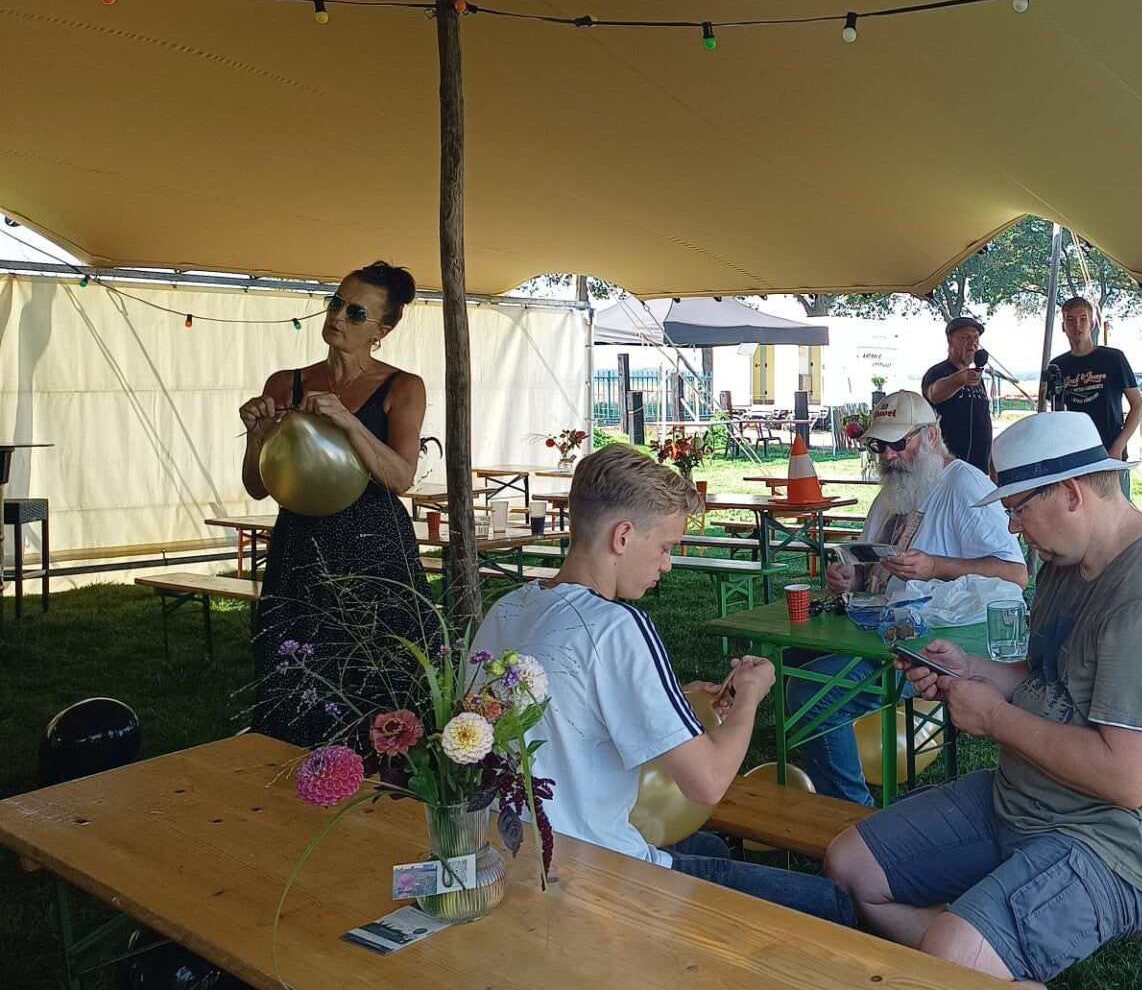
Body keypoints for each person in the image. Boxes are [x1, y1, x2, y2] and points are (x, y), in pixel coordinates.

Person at [823, 411, 1142, 986]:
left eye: (1017, 509)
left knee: (950, 955)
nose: (1013, 529)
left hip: (1130, 843)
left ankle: (966, 959)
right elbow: (1046, 679)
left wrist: (994, 718)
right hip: (1029, 797)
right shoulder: (1069, 561)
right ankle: (980, 963)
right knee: (850, 868)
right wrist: (972, 670)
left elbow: (1126, 779)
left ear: (1071, 495)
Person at [471, 445, 854, 925]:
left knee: (710, 846)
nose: (667, 565)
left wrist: (673, 700)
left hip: (508, 852)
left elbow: (566, 709)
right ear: (623, 537)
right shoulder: (615, 625)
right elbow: (708, 783)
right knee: (832, 902)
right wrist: (751, 696)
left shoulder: (507, 608)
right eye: (666, 547)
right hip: (596, 874)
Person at [790, 390, 1027, 805]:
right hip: (880, 635)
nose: (888, 456)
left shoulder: (964, 484)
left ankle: (851, 813)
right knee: (792, 659)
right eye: (879, 446)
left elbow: (1015, 574)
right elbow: (870, 565)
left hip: (931, 650)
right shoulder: (894, 492)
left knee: (810, 691)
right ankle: (840, 788)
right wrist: (850, 576)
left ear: (931, 436)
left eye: (899, 443)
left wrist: (937, 567)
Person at [239, 261, 434, 749]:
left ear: (382, 331)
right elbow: (258, 487)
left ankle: (380, 769)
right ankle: (289, 765)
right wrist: (256, 437)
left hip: (373, 545)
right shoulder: (285, 383)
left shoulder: (402, 387)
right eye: (336, 303)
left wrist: (348, 421)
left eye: (356, 312)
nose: (338, 317)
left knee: (375, 667)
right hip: (301, 545)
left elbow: (400, 477)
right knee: (295, 667)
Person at [1038, 296, 1142, 471]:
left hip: (1110, 450)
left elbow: (1138, 405)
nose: (1077, 325)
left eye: (1083, 319)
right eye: (1071, 320)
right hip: (1075, 453)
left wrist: (1118, 446)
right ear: (1063, 326)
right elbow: (1057, 414)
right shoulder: (1057, 366)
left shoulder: (1113, 358)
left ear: (1092, 324)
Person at [922, 315, 994, 474]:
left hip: (978, 468)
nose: (972, 343)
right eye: (965, 337)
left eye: (975, 338)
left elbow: (984, 420)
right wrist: (960, 379)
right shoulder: (938, 372)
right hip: (947, 468)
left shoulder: (977, 379)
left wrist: (991, 462)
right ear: (950, 341)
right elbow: (934, 394)